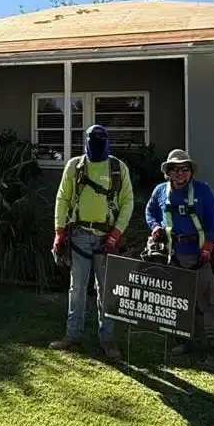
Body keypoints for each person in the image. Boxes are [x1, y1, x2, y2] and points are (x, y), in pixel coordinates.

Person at [50, 124, 134, 360]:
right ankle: (72, 335)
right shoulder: (74, 166)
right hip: (79, 236)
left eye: (100, 139)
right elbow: (62, 198)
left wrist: (116, 234)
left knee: (106, 291)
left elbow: (127, 202)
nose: (96, 143)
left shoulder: (118, 168)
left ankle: (107, 340)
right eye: (92, 139)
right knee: (77, 288)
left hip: (107, 239)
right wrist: (59, 231)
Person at [145, 149, 214, 370]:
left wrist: (209, 243)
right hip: (173, 254)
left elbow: (213, 218)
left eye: (185, 169)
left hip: (199, 253)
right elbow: (150, 211)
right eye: (175, 169)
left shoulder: (202, 190)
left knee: (208, 300)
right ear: (168, 173)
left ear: (191, 172)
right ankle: (185, 340)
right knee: (179, 300)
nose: (180, 173)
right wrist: (155, 227)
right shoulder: (161, 191)